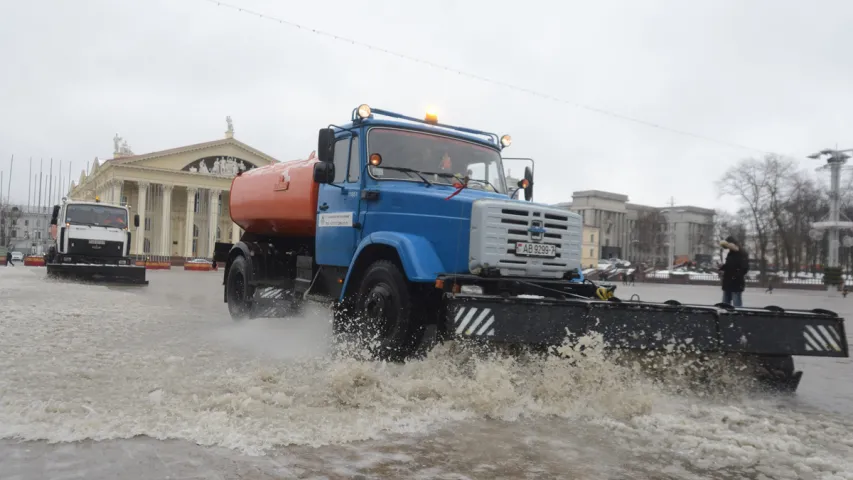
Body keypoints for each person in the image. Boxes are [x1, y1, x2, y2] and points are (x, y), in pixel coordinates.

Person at [719, 236, 749, 307]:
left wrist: (735, 276)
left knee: (737, 305)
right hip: (728, 282)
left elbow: (744, 268)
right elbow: (729, 265)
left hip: (736, 283)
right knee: (725, 304)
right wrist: (722, 268)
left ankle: (737, 317)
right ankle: (726, 316)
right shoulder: (730, 253)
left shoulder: (741, 254)